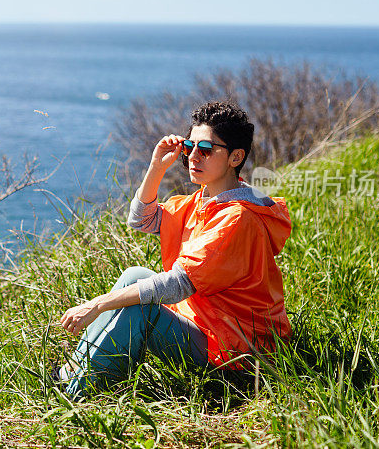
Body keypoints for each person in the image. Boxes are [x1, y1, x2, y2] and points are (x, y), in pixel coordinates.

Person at [56, 101, 293, 398]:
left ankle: (79, 395)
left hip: (237, 350)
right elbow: (141, 220)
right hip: (210, 324)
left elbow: (178, 284)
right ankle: (70, 373)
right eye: (190, 146)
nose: (194, 156)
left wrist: (98, 304)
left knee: (141, 311)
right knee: (135, 275)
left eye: (206, 149)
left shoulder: (237, 218)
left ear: (236, 157)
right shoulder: (204, 202)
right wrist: (157, 166)